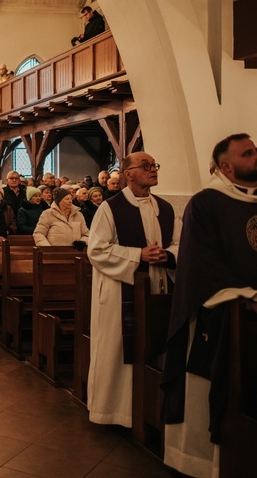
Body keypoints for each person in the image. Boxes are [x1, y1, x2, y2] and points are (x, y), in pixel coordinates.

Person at [161, 134, 257, 477]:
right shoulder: (205, 203)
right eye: (248, 153)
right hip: (219, 313)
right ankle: (203, 461)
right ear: (227, 166)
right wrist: (246, 296)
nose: (256, 155)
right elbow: (201, 264)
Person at [86, 151, 180, 428]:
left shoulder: (166, 208)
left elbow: (179, 242)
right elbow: (97, 250)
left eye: (154, 165)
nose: (153, 170)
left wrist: (168, 255)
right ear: (128, 174)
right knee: (118, 349)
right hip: (120, 293)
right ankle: (114, 412)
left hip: (158, 289)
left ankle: (151, 410)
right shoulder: (110, 208)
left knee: (155, 343)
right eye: (146, 166)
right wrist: (138, 255)